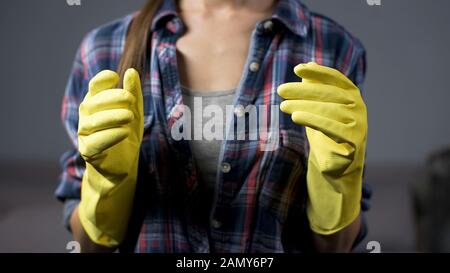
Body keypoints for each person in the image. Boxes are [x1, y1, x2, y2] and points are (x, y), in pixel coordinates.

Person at [56, 0, 372, 253]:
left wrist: (338, 180)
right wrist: (107, 183)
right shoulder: (104, 48)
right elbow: (87, 246)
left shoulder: (332, 46)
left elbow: (337, 246)